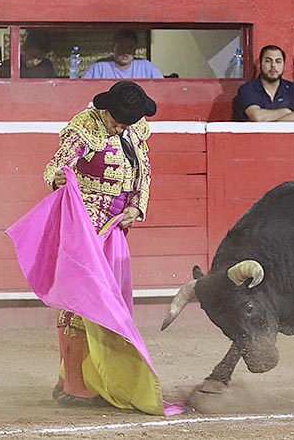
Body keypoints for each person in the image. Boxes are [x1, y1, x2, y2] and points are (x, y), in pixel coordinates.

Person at [17, 81, 181, 415]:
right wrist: (58, 177)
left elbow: (143, 171)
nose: (122, 126)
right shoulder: (85, 127)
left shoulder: (134, 128)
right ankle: (74, 384)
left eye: (127, 122)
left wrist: (136, 206)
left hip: (116, 225)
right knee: (80, 298)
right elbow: (57, 164)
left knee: (107, 299)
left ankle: (80, 378)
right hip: (85, 223)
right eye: (118, 121)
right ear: (107, 110)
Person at [234, 45, 294, 122]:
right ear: (260, 64)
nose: (273, 65)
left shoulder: (291, 88)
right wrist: (286, 112)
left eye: (278, 61)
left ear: (284, 65)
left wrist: (275, 124)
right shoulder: (248, 88)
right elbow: (257, 116)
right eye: (268, 61)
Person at [83, 30, 164, 79]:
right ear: (113, 47)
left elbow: (162, 89)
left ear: (135, 49)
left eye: (130, 47)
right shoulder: (98, 67)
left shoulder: (146, 67)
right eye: (121, 46)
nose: (126, 51)